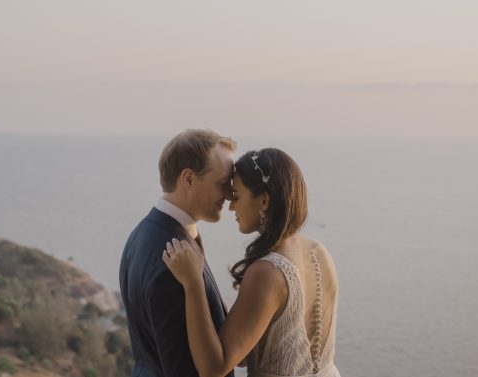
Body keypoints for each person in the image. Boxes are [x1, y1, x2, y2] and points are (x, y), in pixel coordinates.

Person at [163, 148, 340, 377]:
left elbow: (213, 369)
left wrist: (193, 282)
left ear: (264, 200)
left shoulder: (267, 272)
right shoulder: (319, 251)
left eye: (236, 196)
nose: (231, 207)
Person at [120, 129, 237, 377]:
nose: (229, 194)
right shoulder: (171, 261)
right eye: (223, 183)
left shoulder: (141, 234)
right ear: (189, 179)